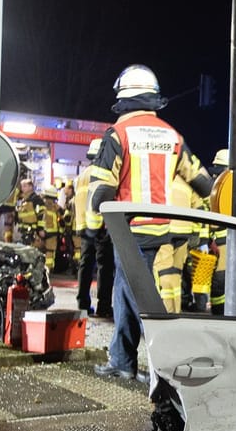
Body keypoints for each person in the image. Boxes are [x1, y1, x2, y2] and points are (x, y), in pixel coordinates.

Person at [87, 65, 213, 378]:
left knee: (139, 299)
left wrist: (93, 226)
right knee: (124, 295)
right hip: (163, 231)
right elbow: (203, 183)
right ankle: (122, 361)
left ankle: (168, 370)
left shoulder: (118, 134)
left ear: (124, 96)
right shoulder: (171, 135)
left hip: (130, 231)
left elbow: (101, 188)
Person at [74, 138, 114, 318]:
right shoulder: (102, 174)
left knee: (85, 264)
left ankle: (82, 304)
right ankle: (104, 306)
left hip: (84, 227)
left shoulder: (82, 175)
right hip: (100, 226)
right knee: (105, 267)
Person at [189, 148, 231, 313]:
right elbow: (204, 218)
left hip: (225, 243)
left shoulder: (219, 187)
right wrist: (205, 241)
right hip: (220, 244)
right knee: (218, 281)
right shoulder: (216, 189)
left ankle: (221, 311)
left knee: (220, 281)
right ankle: (219, 312)